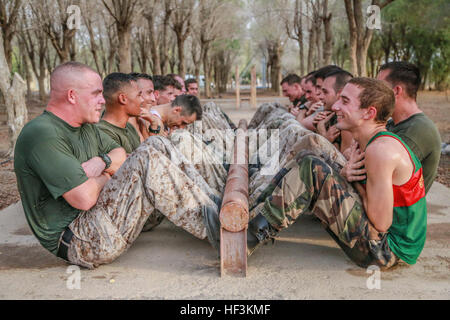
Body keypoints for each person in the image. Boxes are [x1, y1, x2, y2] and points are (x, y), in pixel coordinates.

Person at [14, 62, 221, 269]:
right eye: (96, 94)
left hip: (101, 218)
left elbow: (121, 155)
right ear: (72, 96)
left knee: (156, 144)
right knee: (146, 156)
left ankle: (216, 206)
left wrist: (103, 163)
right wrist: (108, 175)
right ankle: (222, 230)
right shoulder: (42, 133)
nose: (103, 100)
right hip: (80, 240)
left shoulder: (87, 127)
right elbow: (84, 198)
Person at [206, 77, 427, 270]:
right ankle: (249, 217)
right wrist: (346, 172)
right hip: (379, 237)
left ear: (369, 113)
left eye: (345, 101)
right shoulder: (370, 141)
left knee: (312, 168)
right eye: (339, 98)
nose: (336, 106)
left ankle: (247, 241)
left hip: (386, 252)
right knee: (310, 153)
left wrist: (353, 180)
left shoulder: (381, 151)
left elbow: (381, 223)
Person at [376, 61, 441, 194]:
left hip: (396, 213)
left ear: (396, 91)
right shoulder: (392, 123)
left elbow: (375, 174)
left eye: (379, 87)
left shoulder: (419, 129)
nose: (374, 93)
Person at [96, 73, 144, 154]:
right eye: (139, 95)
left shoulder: (129, 128)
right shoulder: (103, 132)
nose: (142, 100)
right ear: (123, 99)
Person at [314, 69, 354, 154]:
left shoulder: (348, 119)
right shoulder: (331, 116)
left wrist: (324, 136)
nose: (320, 96)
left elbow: (343, 162)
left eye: (325, 92)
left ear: (340, 94)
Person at [127, 72, 160, 142]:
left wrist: (154, 124)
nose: (153, 99)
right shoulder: (124, 122)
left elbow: (151, 148)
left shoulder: (141, 121)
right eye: (149, 92)